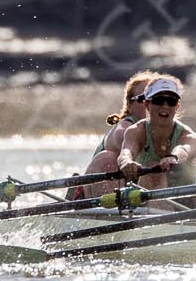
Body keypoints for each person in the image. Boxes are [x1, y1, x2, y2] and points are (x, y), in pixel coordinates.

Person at [115, 76, 196, 196]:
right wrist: (126, 161)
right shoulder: (136, 131)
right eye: (159, 100)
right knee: (154, 172)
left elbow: (184, 149)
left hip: (188, 203)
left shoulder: (188, 135)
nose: (165, 106)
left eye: (171, 101)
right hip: (148, 202)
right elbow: (126, 151)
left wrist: (174, 157)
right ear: (147, 104)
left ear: (177, 106)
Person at [69, 69, 162, 199]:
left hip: (138, 199)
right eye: (145, 98)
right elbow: (122, 138)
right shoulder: (124, 126)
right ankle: (98, 210)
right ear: (130, 104)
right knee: (108, 159)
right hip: (101, 196)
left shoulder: (177, 130)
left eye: (157, 98)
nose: (151, 104)